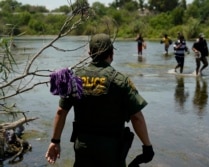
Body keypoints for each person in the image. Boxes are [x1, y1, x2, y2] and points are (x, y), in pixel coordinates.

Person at [45, 33, 154, 167]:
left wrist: (55, 141)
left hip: (83, 146)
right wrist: (147, 146)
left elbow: (61, 111)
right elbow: (136, 117)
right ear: (112, 54)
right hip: (112, 150)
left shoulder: (74, 78)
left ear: (90, 53)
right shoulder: (120, 80)